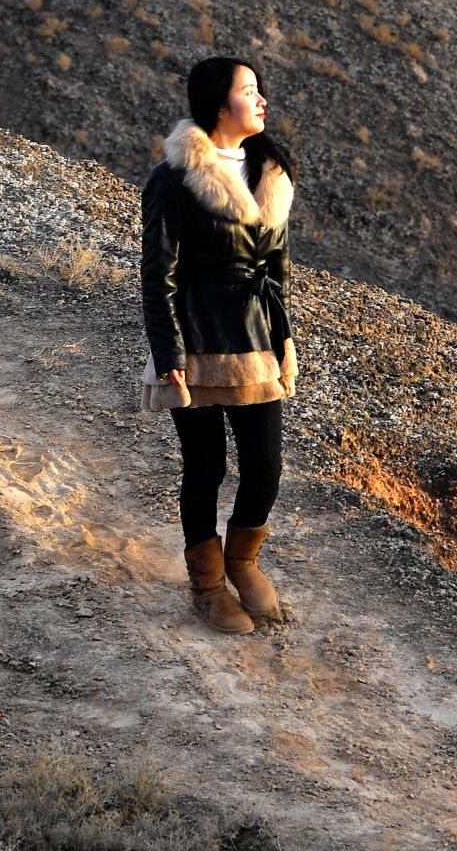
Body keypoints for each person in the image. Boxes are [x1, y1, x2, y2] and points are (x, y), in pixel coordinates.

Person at [137, 55, 299, 635]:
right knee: (205, 467)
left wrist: (284, 339)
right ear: (217, 102)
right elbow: (158, 275)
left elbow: (277, 270)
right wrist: (168, 354)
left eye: (259, 90)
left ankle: (242, 562)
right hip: (198, 340)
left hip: (255, 339)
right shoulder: (173, 178)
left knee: (265, 468)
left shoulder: (271, 172)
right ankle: (207, 584)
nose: (261, 100)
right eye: (248, 91)